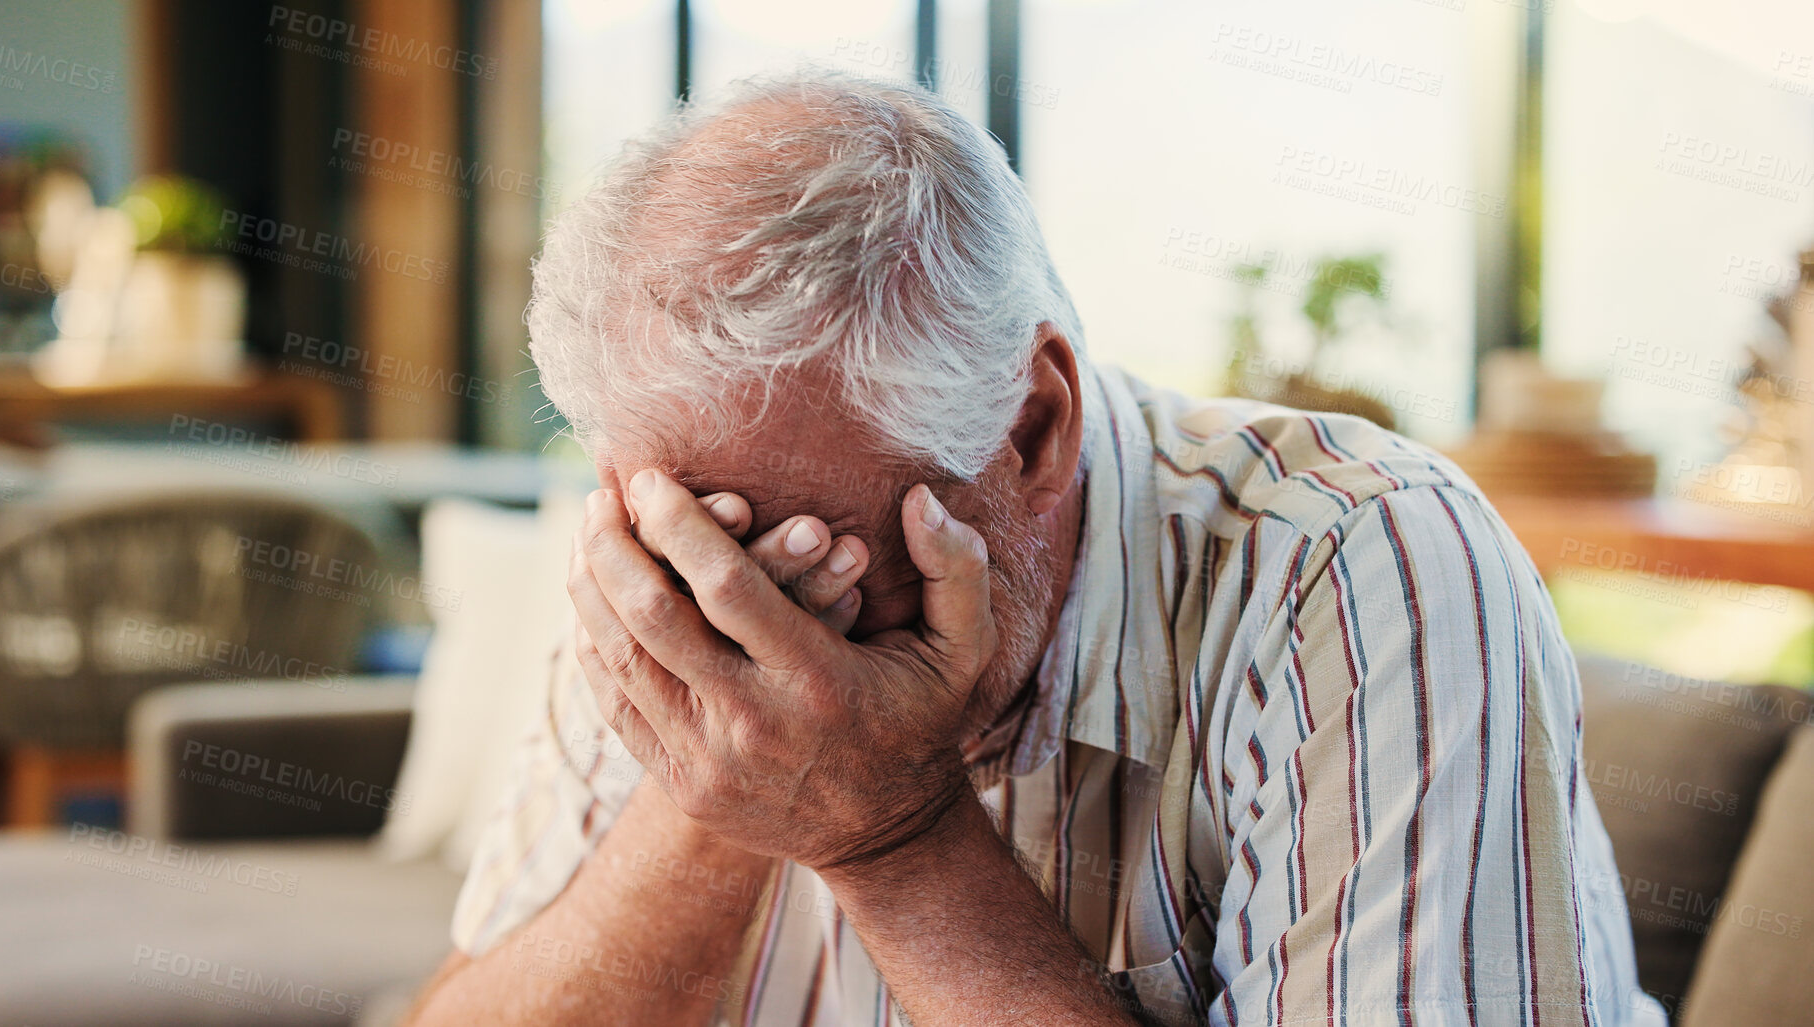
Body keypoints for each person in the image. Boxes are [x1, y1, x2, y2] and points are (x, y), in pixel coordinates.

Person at [409, 70, 1662, 1026]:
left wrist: (889, 840)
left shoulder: (1361, 564)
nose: (739, 631)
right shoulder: (670, 574)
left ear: (1031, 428)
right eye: (700, 564)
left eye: (811, 568)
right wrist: (719, 791)